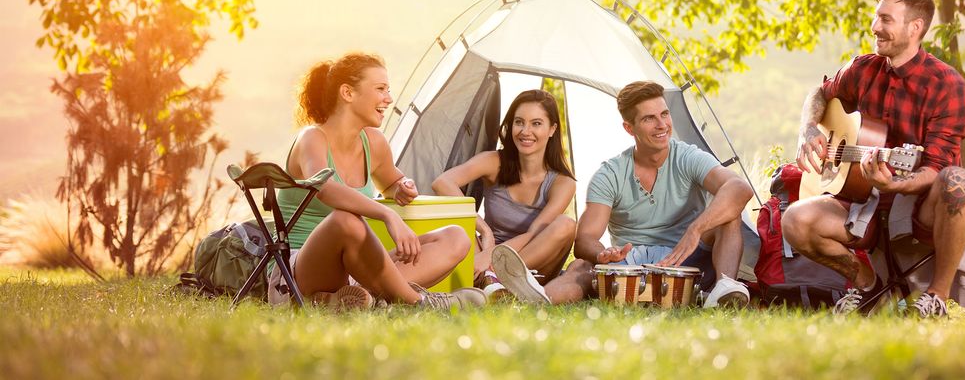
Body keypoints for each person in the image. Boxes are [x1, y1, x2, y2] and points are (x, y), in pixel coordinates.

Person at [780, 0, 965, 318]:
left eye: (886, 20)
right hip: (862, 200)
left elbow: (934, 168)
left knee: (956, 181)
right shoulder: (863, 68)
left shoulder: (949, 86)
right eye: (876, 18)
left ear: (915, 28)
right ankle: (869, 288)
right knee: (794, 221)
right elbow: (820, 93)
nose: (875, 27)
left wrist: (893, 184)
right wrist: (808, 129)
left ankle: (936, 299)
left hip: (918, 207)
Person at [491, 80, 754, 308]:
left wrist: (695, 230)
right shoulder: (610, 174)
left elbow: (739, 188)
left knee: (728, 213)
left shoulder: (687, 157)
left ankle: (723, 288)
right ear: (630, 128)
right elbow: (584, 240)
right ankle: (537, 299)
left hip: (688, 260)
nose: (662, 124)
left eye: (664, 114)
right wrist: (603, 254)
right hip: (629, 266)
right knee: (580, 267)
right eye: (649, 118)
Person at [269, 52, 485, 310]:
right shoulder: (312, 139)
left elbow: (391, 182)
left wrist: (403, 187)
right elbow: (324, 189)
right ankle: (419, 302)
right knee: (345, 219)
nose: (389, 99)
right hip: (298, 269)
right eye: (381, 89)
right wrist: (387, 215)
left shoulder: (373, 142)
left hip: (354, 271)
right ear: (348, 93)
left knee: (456, 237)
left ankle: (358, 300)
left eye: (389, 89)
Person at [431, 89, 578, 297]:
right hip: (482, 256)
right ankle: (489, 284)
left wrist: (491, 259)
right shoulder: (494, 161)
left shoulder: (563, 182)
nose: (525, 131)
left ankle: (498, 280)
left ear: (552, 129)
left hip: (531, 265)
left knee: (566, 225)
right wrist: (484, 230)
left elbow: (534, 233)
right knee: (459, 223)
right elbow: (442, 183)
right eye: (519, 122)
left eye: (536, 123)